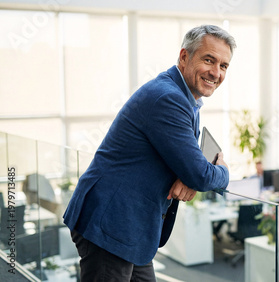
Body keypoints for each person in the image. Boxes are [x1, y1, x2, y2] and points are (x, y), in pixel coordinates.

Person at [63, 25, 235, 281]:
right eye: (209, 60)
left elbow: (187, 165)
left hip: (132, 227)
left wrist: (188, 174)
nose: (216, 72)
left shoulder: (184, 97)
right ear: (184, 57)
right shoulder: (168, 98)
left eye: (223, 66)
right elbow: (200, 173)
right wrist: (222, 172)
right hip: (111, 223)